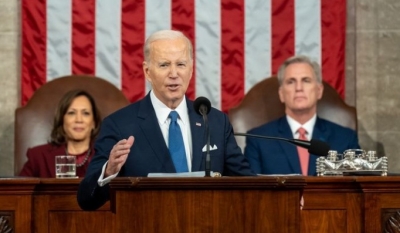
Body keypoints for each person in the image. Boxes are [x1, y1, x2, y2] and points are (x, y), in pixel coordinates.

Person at [77, 29, 255, 211]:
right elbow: (86, 200)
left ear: (191, 69)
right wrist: (109, 171)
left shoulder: (215, 122)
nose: (174, 73)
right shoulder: (120, 125)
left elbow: (248, 185)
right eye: (164, 65)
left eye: (181, 64)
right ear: (147, 71)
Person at [244, 55, 360, 176]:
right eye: (291, 82)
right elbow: (252, 192)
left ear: (319, 91)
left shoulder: (345, 138)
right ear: (281, 94)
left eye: (306, 80)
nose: (299, 88)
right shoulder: (258, 139)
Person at [19, 89, 102, 178]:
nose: (79, 120)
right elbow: (19, 190)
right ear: (62, 120)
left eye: (85, 113)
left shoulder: (106, 157)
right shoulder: (38, 157)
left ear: (94, 122)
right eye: (71, 113)